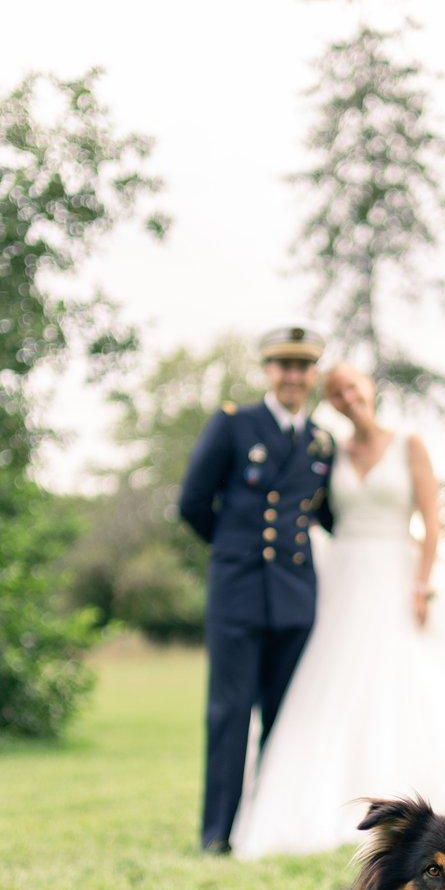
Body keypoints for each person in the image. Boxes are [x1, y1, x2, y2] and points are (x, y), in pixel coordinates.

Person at [231, 363, 445, 858]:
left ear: (369, 389)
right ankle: (331, 800)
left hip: (399, 572)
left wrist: (422, 582)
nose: (348, 397)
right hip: (343, 578)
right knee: (336, 685)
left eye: (353, 387)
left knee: (412, 682)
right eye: (337, 393)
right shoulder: (331, 454)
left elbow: (432, 521)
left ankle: (422, 796)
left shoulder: (409, 443)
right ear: (333, 403)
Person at [178, 326, 336, 852]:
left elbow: (330, 516)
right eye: (283, 366)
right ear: (268, 372)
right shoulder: (233, 425)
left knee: (284, 718)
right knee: (229, 713)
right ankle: (216, 833)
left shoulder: (321, 441)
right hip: (239, 591)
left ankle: (264, 828)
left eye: (302, 367)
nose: (293, 377)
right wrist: (232, 549)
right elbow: (193, 503)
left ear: (313, 375)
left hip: (294, 597)